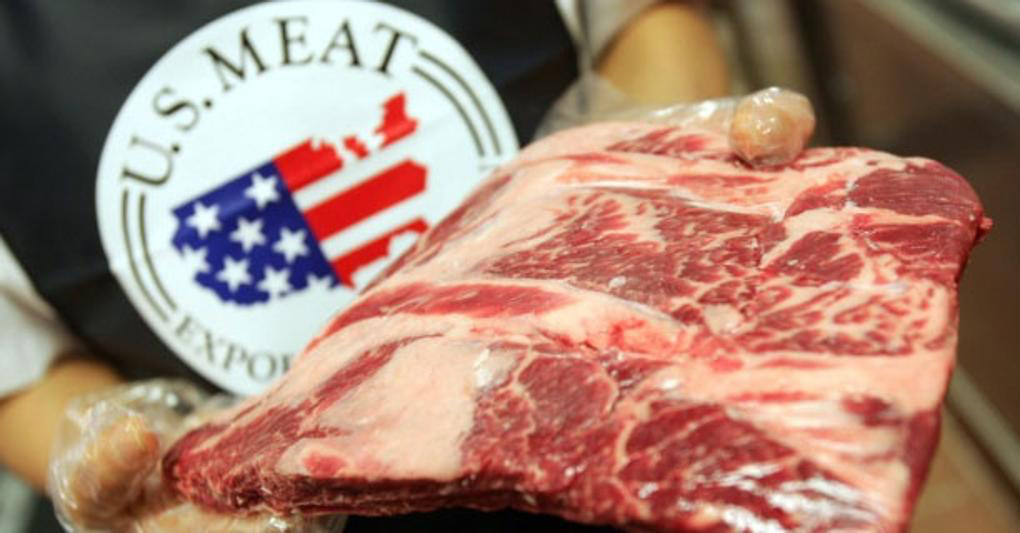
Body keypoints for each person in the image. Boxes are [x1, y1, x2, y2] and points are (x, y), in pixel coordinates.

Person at [0, 1, 747, 530]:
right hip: (270, 494)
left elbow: (644, 21)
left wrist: (646, 204)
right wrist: (146, 478)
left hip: (607, 410)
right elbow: (19, 370)